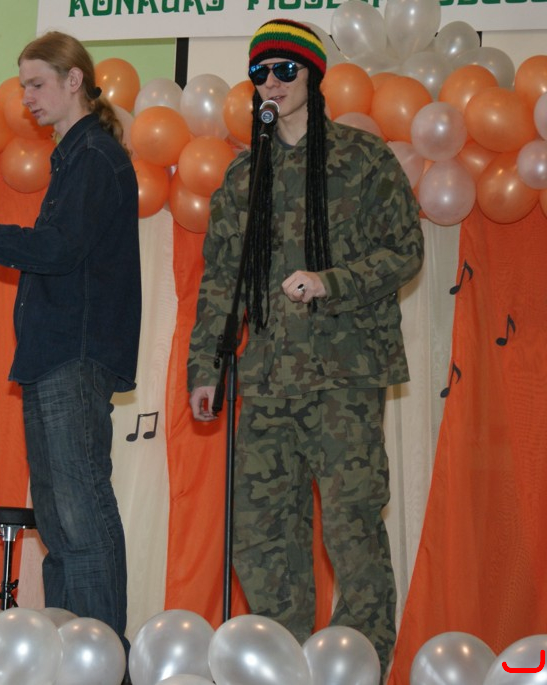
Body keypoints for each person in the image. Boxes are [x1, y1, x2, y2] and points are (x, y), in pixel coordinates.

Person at [186, 19, 423, 673]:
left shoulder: (362, 159)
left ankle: (358, 667)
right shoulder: (243, 176)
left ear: (312, 76)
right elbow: (221, 281)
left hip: (345, 376)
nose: (272, 82)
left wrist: (331, 282)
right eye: (260, 72)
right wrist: (206, 367)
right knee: (261, 535)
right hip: (264, 379)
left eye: (285, 70)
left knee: (352, 529)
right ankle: (281, 666)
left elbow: (405, 250)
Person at [0, 31, 141, 643]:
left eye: (37, 84)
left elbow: (59, 250)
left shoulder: (94, 156)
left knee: (80, 515)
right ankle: (71, 647)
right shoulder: (74, 156)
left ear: (74, 81)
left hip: (74, 354)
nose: (26, 97)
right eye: (22, 85)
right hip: (53, 355)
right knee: (60, 523)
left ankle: (99, 652)